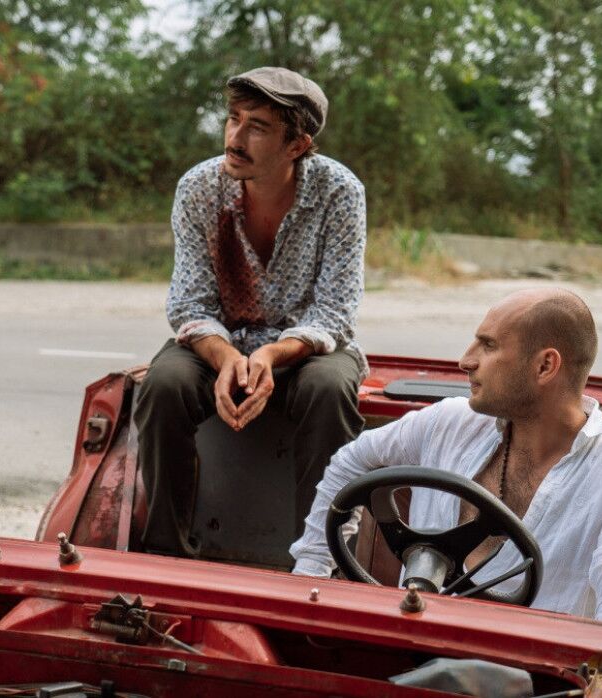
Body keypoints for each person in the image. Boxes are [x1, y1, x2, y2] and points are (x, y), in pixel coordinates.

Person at [290, 288, 602, 628]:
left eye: (488, 346)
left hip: (536, 675)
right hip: (411, 648)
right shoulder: (448, 422)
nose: (466, 360)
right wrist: (312, 576)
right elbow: (351, 462)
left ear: (545, 366)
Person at [134, 67, 368, 557]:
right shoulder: (200, 186)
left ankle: (320, 558)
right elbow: (190, 302)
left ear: (297, 145)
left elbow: (335, 311)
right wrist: (225, 359)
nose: (235, 138)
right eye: (233, 118)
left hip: (305, 348)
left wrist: (270, 356)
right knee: (165, 383)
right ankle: (165, 555)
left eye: (257, 127)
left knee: (330, 389)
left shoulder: (339, 192)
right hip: (218, 341)